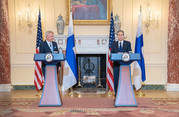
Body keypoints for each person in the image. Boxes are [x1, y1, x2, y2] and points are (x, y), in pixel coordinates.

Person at [111, 30, 132, 97]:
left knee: (125, 79)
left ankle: (125, 94)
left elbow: (130, 53)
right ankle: (116, 94)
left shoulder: (128, 43)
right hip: (116, 65)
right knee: (116, 79)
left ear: (123, 36)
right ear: (117, 36)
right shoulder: (114, 44)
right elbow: (112, 54)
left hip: (125, 64)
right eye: (119, 35)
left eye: (121, 35)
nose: (120, 36)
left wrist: (123, 54)